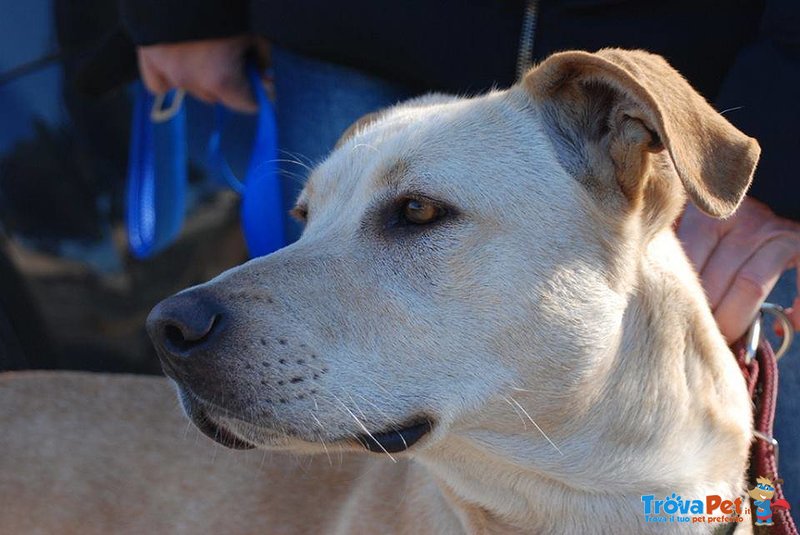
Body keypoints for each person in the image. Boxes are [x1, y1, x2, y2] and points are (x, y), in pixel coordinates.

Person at [117, 0, 800, 499]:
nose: (196, 317)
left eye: (414, 215)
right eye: (310, 217)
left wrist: (784, 120)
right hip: (353, 32)